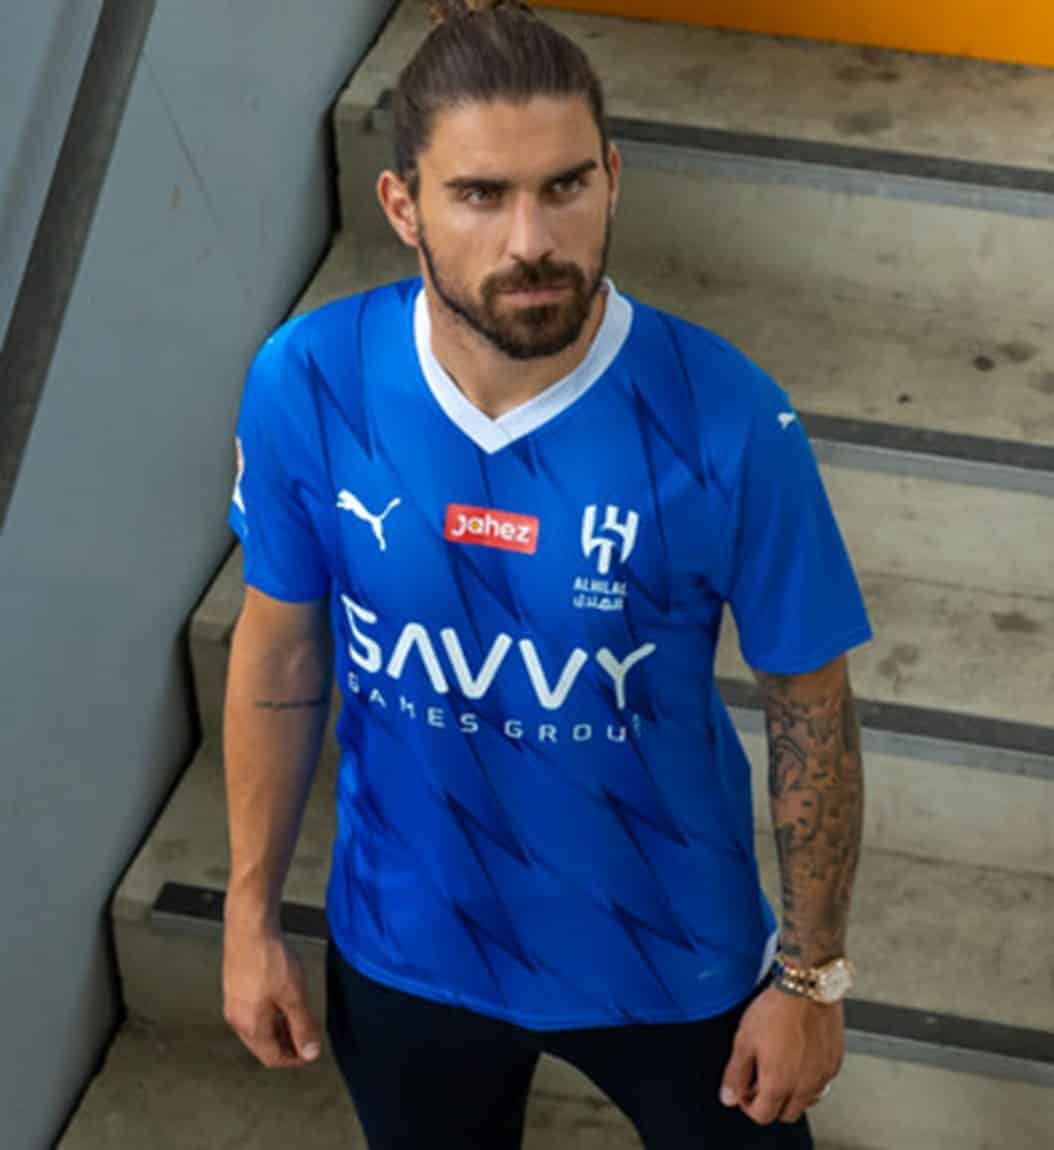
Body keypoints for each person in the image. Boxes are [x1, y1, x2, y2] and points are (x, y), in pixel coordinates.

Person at [218, 2, 872, 1145]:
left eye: (564, 186)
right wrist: (247, 913)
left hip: (674, 956)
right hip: (406, 952)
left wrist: (811, 976)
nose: (532, 238)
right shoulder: (310, 381)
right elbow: (277, 656)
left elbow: (810, 705)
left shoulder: (728, 416)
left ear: (611, 179)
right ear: (403, 206)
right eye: (481, 194)